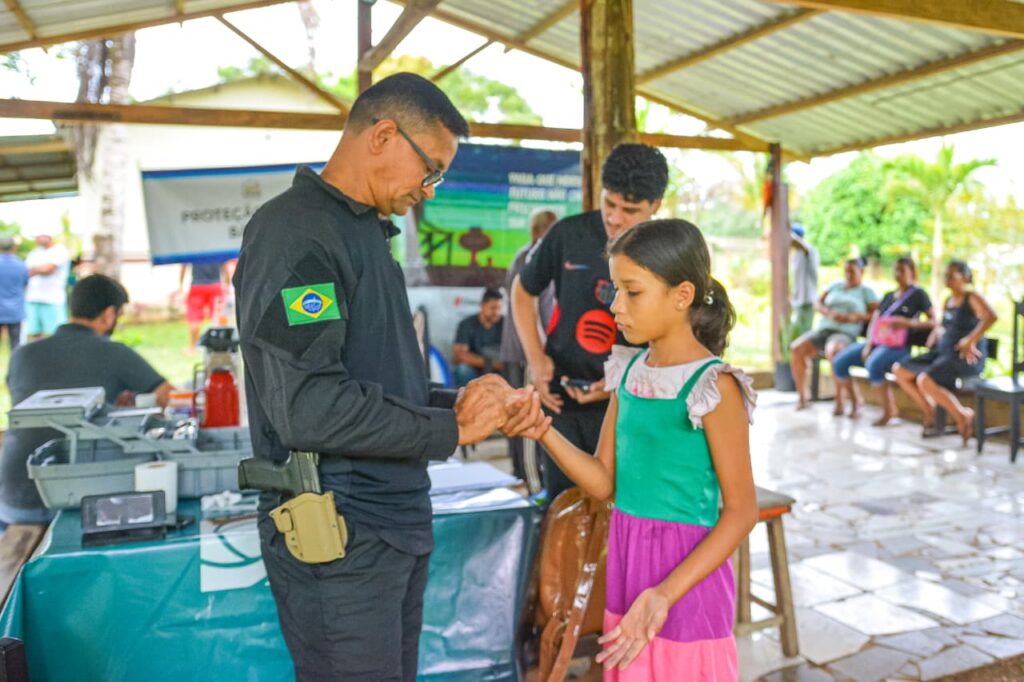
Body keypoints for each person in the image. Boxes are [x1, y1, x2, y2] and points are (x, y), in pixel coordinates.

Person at [232, 72, 544, 682]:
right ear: (383, 135)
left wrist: (469, 402)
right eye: (430, 170)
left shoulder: (365, 232)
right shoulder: (296, 235)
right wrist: (448, 426)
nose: (428, 191)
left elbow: (377, 384)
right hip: (339, 533)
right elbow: (310, 406)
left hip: (387, 525)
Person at [523, 219, 757, 679]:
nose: (616, 307)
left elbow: (742, 511)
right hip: (629, 569)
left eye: (632, 292)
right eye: (614, 290)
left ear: (682, 295)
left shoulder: (713, 386)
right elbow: (603, 482)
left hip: (685, 581)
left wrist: (665, 594)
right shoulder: (629, 373)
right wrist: (542, 430)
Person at [512, 143, 669, 502]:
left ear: (655, 206)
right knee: (562, 506)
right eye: (609, 203)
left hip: (631, 405)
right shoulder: (568, 234)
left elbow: (678, 337)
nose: (614, 218)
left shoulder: (668, 253)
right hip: (561, 400)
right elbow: (522, 292)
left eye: (630, 210)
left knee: (621, 506)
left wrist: (618, 383)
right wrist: (536, 360)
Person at [1, 275, 173, 527]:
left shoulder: (22, 354)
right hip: (77, 499)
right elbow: (169, 395)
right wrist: (130, 404)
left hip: (13, 499)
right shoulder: (115, 353)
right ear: (108, 314)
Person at [893, 261, 997, 443]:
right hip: (942, 353)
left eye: (951, 276)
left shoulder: (971, 297)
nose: (947, 280)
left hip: (963, 357)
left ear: (964, 278)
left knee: (924, 379)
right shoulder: (948, 300)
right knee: (900, 370)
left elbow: (991, 317)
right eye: (945, 276)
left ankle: (962, 415)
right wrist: (936, 332)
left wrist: (971, 339)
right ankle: (929, 409)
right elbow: (944, 325)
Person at [830, 257, 935, 424]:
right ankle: (856, 401)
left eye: (902, 270)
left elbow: (933, 321)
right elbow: (875, 321)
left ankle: (889, 411)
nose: (897, 274)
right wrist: (869, 345)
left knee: (874, 364)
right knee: (839, 361)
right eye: (896, 270)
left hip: (899, 347)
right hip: (877, 343)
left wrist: (906, 323)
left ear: (912, 273)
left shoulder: (919, 295)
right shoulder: (889, 296)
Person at [500, 208, 558, 485]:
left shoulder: (530, 255)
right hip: (525, 353)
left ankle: (528, 476)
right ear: (537, 232)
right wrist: (539, 351)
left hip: (529, 352)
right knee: (527, 416)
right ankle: (529, 480)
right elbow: (531, 309)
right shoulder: (530, 257)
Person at [789, 257, 879, 412]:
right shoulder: (835, 285)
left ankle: (840, 399)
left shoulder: (866, 292)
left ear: (861, 272)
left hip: (845, 333)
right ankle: (803, 397)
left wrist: (855, 317)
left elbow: (877, 314)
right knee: (796, 348)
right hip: (824, 330)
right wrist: (828, 312)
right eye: (846, 271)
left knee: (834, 351)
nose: (848, 275)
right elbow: (818, 303)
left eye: (852, 271)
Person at [452, 287, 505, 387]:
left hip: (500, 373)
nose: (497, 312)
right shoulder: (466, 324)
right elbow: (459, 356)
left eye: (499, 308)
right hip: (475, 372)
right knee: (462, 370)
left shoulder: (506, 325)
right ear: (482, 306)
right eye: (493, 308)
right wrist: (491, 363)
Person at [24, 233, 70, 340]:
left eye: (40, 236)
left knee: (56, 332)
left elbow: (48, 269)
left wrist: (34, 270)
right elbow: (25, 272)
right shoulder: (34, 253)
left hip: (52, 298)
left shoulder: (59, 250)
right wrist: (38, 270)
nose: (37, 239)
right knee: (34, 332)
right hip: (33, 297)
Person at [178, 259, 230, 354]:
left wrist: (181, 286)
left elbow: (183, 266)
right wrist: (228, 284)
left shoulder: (191, 247)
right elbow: (226, 267)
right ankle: (220, 347)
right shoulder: (217, 247)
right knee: (218, 318)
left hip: (197, 286)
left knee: (194, 318)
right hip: (216, 286)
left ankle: (192, 347)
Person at [790, 223, 819, 337]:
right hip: (798, 300)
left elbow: (800, 244)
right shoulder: (796, 255)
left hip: (808, 299)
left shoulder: (809, 250)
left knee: (805, 333)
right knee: (796, 332)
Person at [0, 235, 28, 353]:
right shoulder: (21, 265)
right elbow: (25, 284)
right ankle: (14, 370)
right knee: (15, 345)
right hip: (15, 310)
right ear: (14, 247)